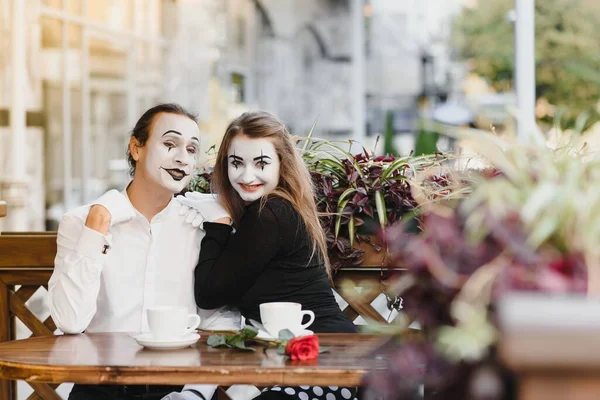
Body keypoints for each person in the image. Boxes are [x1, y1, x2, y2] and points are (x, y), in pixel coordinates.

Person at [48, 103, 241, 400]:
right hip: (100, 387)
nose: (182, 158)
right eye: (169, 144)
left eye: (192, 150)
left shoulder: (202, 226)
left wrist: (197, 392)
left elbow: (221, 319)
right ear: (136, 148)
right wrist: (96, 227)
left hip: (183, 388)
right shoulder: (82, 222)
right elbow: (70, 321)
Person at [183, 111, 358, 400]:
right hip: (301, 358)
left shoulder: (271, 213)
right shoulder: (273, 211)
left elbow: (209, 293)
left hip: (327, 361)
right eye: (236, 163)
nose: (247, 176)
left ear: (281, 165)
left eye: (261, 163)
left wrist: (218, 224)